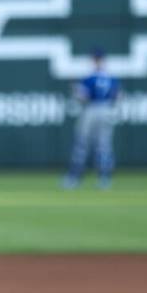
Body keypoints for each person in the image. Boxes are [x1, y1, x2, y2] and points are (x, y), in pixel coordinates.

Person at [63, 48, 121, 189]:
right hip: (107, 109)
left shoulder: (89, 78)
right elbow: (118, 96)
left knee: (81, 144)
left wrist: (75, 89)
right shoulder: (111, 78)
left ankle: (74, 178)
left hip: (92, 109)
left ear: (95, 60)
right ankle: (104, 179)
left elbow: (83, 97)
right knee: (104, 145)